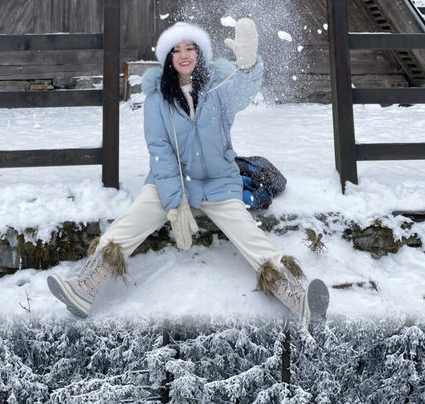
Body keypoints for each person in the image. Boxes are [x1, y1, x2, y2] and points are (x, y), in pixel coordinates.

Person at [48, 19, 328, 322]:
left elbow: (243, 92)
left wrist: (248, 67)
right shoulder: (157, 100)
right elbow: (160, 151)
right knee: (129, 223)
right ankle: (85, 288)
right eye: (176, 50)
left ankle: (299, 301)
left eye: (190, 48)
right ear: (168, 58)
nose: (184, 55)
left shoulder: (219, 88)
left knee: (250, 237)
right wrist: (175, 201)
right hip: (169, 181)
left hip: (218, 182)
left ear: (199, 53)